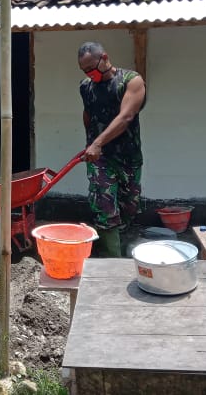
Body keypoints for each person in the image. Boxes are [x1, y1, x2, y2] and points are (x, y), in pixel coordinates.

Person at [77, 41, 146, 258]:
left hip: (128, 156)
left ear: (104, 58)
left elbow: (126, 116)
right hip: (101, 160)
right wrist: (91, 143)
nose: (90, 74)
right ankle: (112, 261)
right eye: (84, 70)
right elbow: (88, 114)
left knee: (130, 206)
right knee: (105, 206)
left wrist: (98, 142)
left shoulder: (130, 81)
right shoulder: (86, 86)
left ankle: (114, 243)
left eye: (91, 68)